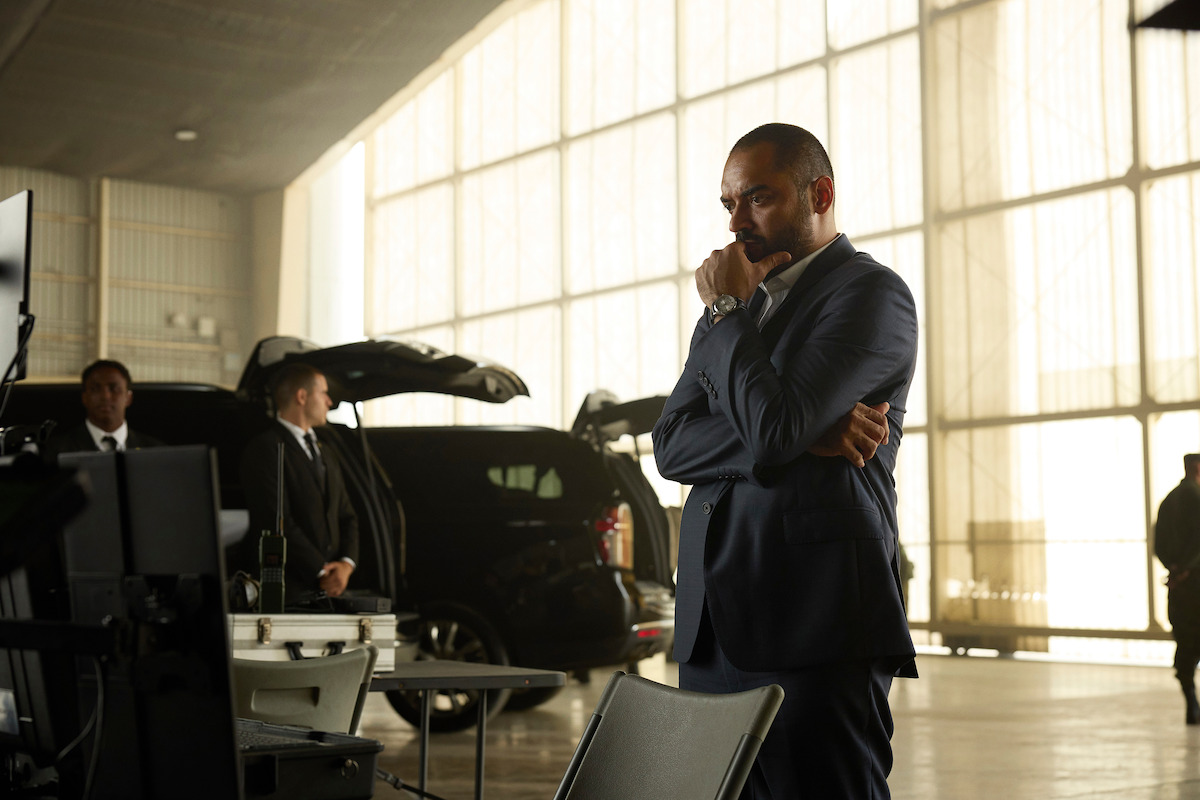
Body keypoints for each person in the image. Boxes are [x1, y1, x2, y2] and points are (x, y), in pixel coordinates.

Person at [652, 123, 919, 799]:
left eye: (758, 199)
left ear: (819, 193)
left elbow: (773, 430)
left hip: (814, 623)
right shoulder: (731, 313)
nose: (738, 222)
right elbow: (672, 443)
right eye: (728, 204)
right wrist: (804, 430)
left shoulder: (870, 296)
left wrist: (729, 314)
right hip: (714, 626)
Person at [239, 362, 358, 601]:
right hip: (286, 592)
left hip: (330, 591)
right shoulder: (266, 449)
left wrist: (345, 565)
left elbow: (347, 515)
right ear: (302, 396)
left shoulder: (326, 451)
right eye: (323, 392)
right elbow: (276, 521)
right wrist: (321, 569)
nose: (329, 401)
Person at [1154, 453, 1200, 724]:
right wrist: (1187, 568)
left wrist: (1174, 568)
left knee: (1185, 640)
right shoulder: (1198, 499)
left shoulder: (1168, 501)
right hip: (1195, 580)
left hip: (1177, 585)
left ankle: (1191, 701)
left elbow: (1158, 544)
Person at [42, 359, 164, 458]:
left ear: (128, 398)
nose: (105, 396)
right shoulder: (56, 452)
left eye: (114, 389)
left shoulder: (157, 452)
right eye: (95, 389)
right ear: (84, 397)